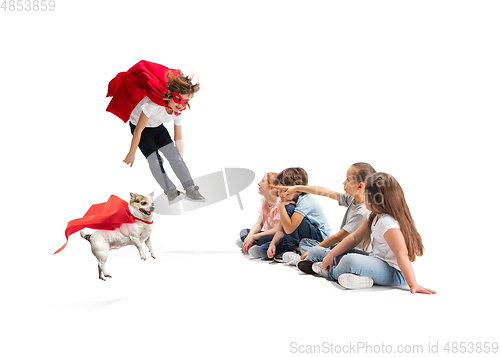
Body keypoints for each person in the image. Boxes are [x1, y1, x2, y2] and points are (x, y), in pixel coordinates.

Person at [319, 172, 436, 294]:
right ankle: (361, 279)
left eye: (366, 195)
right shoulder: (372, 216)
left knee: (349, 260)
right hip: (377, 262)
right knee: (339, 253)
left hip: (394, 273)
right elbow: (354, 237)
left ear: (378, 199)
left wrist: (413, 284)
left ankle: (330, 272)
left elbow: (402, 255)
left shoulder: (388, 223)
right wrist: (331, 254)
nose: (363, 198)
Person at [106, 60, 204, 203]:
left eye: (185, 102)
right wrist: (132, 152)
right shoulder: (152, 106)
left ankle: (190, 188)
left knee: (175, 157)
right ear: (170, 95)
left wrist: (179, 157)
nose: (181, 105)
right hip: (142, 130)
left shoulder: (178, 111)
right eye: (178, 100)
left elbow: (178, 135)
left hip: (158, 128)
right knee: (155, 161)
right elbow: (139, 130)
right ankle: (170, 191)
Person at [274, 163, 376, 271]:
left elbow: (338, 237)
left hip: (355, 252)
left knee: (316, 251)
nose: (343, 183)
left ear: (360, 186)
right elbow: (325, 192)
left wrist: (314, 249)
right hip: (342, 246)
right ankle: (313, 260)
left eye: (348, 180)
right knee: (305, 243)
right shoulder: (353, 199)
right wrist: (296, 188)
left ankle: (314, 261)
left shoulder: (362, 212)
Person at [260, 167, 331, 261]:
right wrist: (273, 244)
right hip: (298, 236)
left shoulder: (305, 200)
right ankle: (292, 250)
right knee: (264, 250)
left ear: (298, 190)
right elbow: (282, 230)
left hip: (318, 237)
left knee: (288, 208)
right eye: (280, 190)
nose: (281, 194)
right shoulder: (287, 201)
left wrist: (281, 206)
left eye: (285, 191)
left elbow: (289, 229)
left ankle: (294, 250)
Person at [237, 173, 283, 258]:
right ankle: (251, 244)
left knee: (263, 239)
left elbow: (276, 229)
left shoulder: (280, 204)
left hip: (276, 236)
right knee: (244, 231)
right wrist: (250, 235)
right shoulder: (264, 202)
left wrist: (254, 236)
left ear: (271, 188)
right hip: (266, 233)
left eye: (262, 181)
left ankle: (250, 244)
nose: (259, 183)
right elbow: (259, 223)